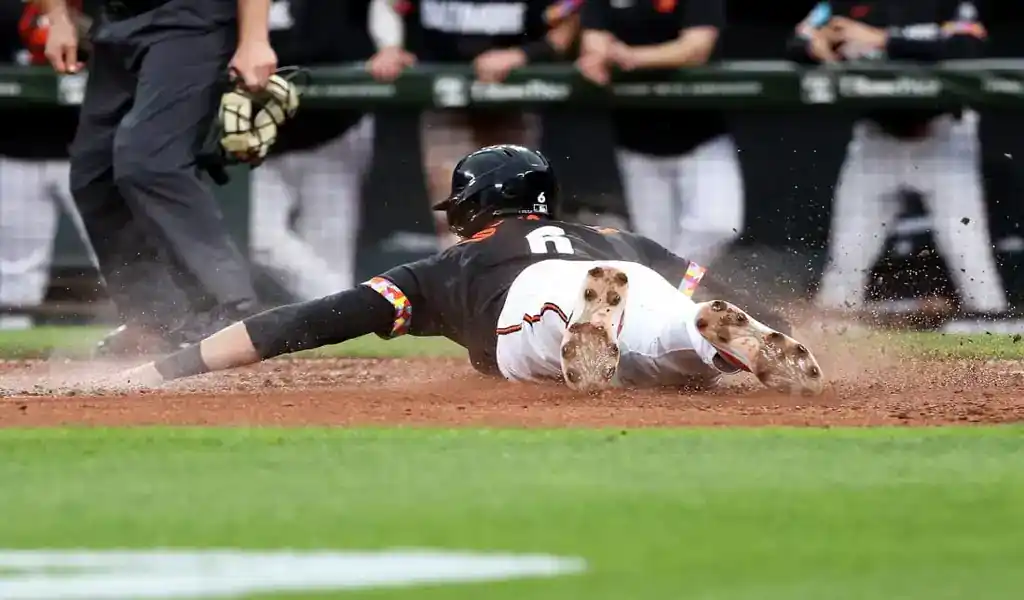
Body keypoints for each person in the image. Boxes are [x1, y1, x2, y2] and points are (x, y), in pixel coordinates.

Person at [112, 145, 824, 396]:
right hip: (625, 276)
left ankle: (587, 322)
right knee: (675, 334)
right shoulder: (613, 234)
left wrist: (165, 370)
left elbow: (300, 323)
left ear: (475, 207)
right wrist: (775, 323)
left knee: (547, 331)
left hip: (533, 306)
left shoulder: (445, 268)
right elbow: (717, 284)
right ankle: (730, 341)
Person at [36, 0, 279, 355]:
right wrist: (58, 18)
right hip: (117, 22)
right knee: (94, 172)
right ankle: (155, 320)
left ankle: (231, 310)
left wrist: (255, 37)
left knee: (149, 159)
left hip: (191, 19)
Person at [791, 1, 1008, 315]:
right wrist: (816, 46)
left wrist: (882, 40)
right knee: (848, 253)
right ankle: (832, 340)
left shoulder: (947, 5)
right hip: (878, 138)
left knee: (967, 248)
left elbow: (968, 45)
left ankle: (992, 327)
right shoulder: (842, 6)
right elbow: (798, 41)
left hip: (943, 136)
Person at [366, 0, 580, 248]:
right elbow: (387, 5)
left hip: (514, 100)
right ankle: (463, 284)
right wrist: (390, 46)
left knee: (520, 219)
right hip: (444, 100)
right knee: (455, 225)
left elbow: (568, 20)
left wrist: (522, 55)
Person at [576, 0, 744, 268]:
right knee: (655, 248)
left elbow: (696, 48)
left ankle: (673, 286)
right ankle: (673, 295)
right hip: (636, 140)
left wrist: (631, 56)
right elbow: (594, 44)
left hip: (701, 136)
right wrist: (604, 55)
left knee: (718, 226)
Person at [250, 0, 376, 300]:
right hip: (265, 139)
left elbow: (333, 43)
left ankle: (340, 326)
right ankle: (352, 308)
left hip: (332, 131)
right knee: (260, 237)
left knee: (329, 251)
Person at [0, 0, 95, 330]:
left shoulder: (100, 9)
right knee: (16, 267)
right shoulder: (10, 11)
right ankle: (12, 354)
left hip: (87, 156)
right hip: (17, 153)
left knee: (117, 252)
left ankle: (146, 331)